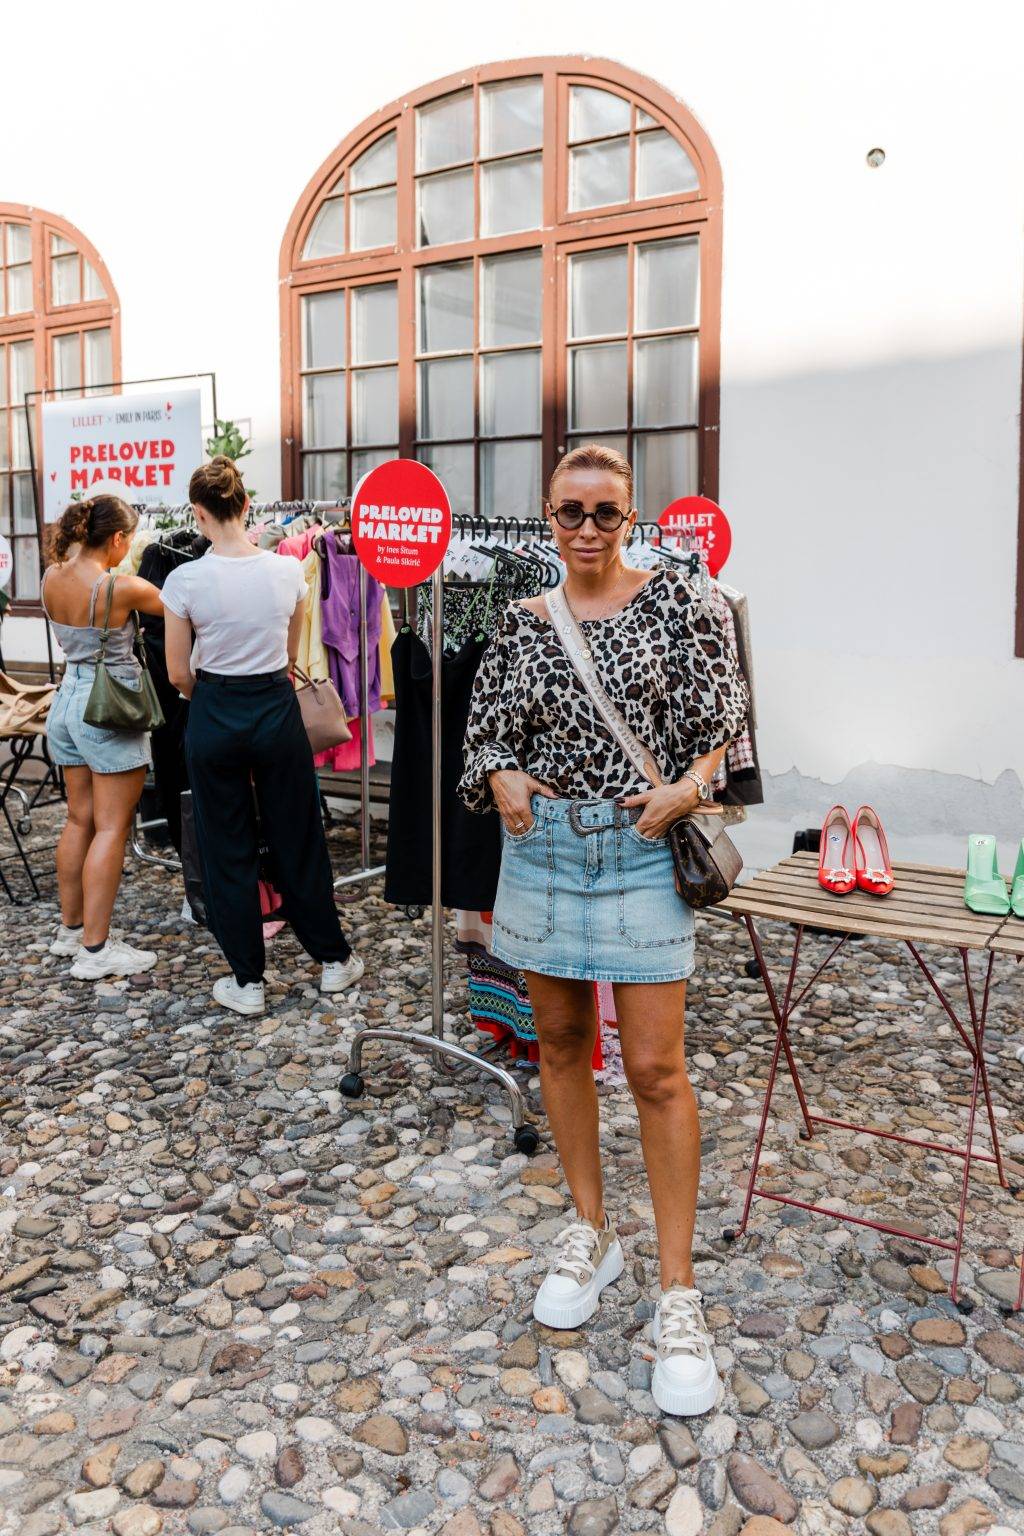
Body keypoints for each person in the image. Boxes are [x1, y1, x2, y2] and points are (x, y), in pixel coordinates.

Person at [459, 443, 749, 1418]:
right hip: (543, 850)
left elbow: (724, 721)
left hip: (641, 848)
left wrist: (688, 788)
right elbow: (486, 732)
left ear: (632, 518)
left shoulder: (683, 602)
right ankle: (591, 1228)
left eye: (605, 513)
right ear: (548, 515)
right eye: (570, 511)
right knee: (560, 1043)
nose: (587, 529)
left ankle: (678, 1291)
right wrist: (500, 772)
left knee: (658, 1069)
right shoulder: (519, 620)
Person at [162, 456, 363, 1015]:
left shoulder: (184, 580)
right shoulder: (285, 570)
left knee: (225, 845)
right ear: (247, 505)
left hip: (214, 707)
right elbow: (290, 649)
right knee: (298, 835)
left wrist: (212, 697)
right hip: (274, 703)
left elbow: (177, 673)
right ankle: (333, 961)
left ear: (198, 513)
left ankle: (247, 982)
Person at [42, 493, 165, 980]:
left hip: (67, 699)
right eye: (129, 540)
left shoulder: (51, 577)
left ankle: (70, 931)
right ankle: (95, 951)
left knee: (79, 819)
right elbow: (182, 607)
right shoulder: (121, 587)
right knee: (112, 827)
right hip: (109, 706)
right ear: (117, 538)